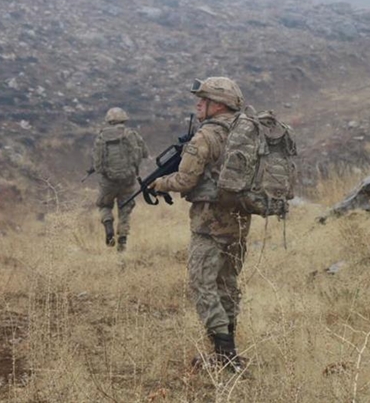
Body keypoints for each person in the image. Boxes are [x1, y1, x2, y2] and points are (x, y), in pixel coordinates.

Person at [149, 77, 251, 372]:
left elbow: (184, 181)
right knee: (227, 285)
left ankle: (225, 356)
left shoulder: (205, 137)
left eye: (203, 99)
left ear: (218, 104)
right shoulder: (246, 132)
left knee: (202, 285)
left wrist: (159, 183)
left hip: (209, 224)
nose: (198, 104)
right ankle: (228, 351)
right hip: (240, 221)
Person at [92, 107, 148, 252]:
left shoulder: (101, 137)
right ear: (124, 119)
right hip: (128, 180)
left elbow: (98, 163)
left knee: (104, 205)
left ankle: (108, 224)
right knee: (125, 210)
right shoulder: (132, 134)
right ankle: (122, 243)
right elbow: (144, 153)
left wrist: (105, 173)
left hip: (108, 182)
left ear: (109, 120)